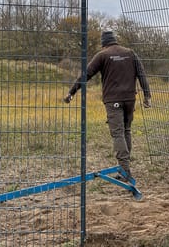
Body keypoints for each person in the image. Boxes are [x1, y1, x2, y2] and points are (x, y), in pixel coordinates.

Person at [64, 30, 151, 182]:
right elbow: (141, 74)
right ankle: (124, 167)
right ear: (115, 40)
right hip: (130, 99)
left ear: (103, 43)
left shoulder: (102, 55)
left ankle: (124, 170)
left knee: (118, 134)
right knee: (126, 131)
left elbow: (86, 74)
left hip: (113, 100)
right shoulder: (130, 53)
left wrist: (72, 91)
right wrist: (147, 96)